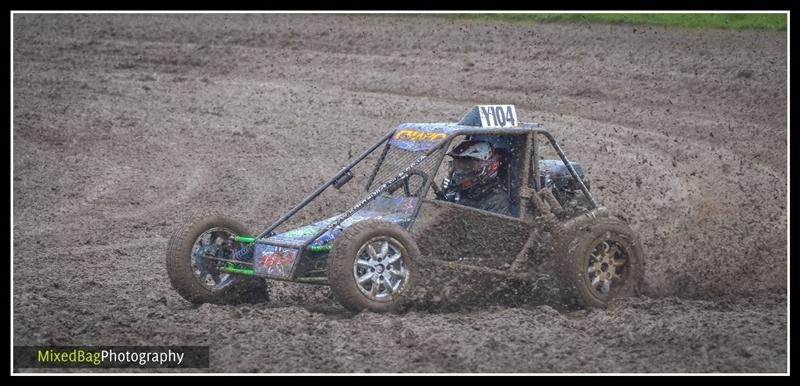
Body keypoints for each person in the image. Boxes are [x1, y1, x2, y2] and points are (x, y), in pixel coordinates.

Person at [440, 139, 512, 216]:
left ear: (489, 166)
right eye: (456, 164)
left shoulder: (497, 200)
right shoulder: (458, 190)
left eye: (467, 165)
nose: (461, 172)